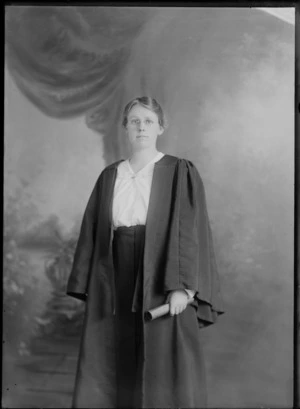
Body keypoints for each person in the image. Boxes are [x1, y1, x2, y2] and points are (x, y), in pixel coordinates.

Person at [66, 96, 224, 408]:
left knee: (163, 359)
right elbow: (93, 231)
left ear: (161, 127)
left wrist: (184, 287)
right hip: (117, 272)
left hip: (163, 273)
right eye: (135, 121)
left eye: (148, 121)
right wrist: (93, 285)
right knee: (118, 354)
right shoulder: (111, 175)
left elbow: (189, 232)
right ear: (125, 128)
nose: (141, 127)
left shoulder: (179, 171)